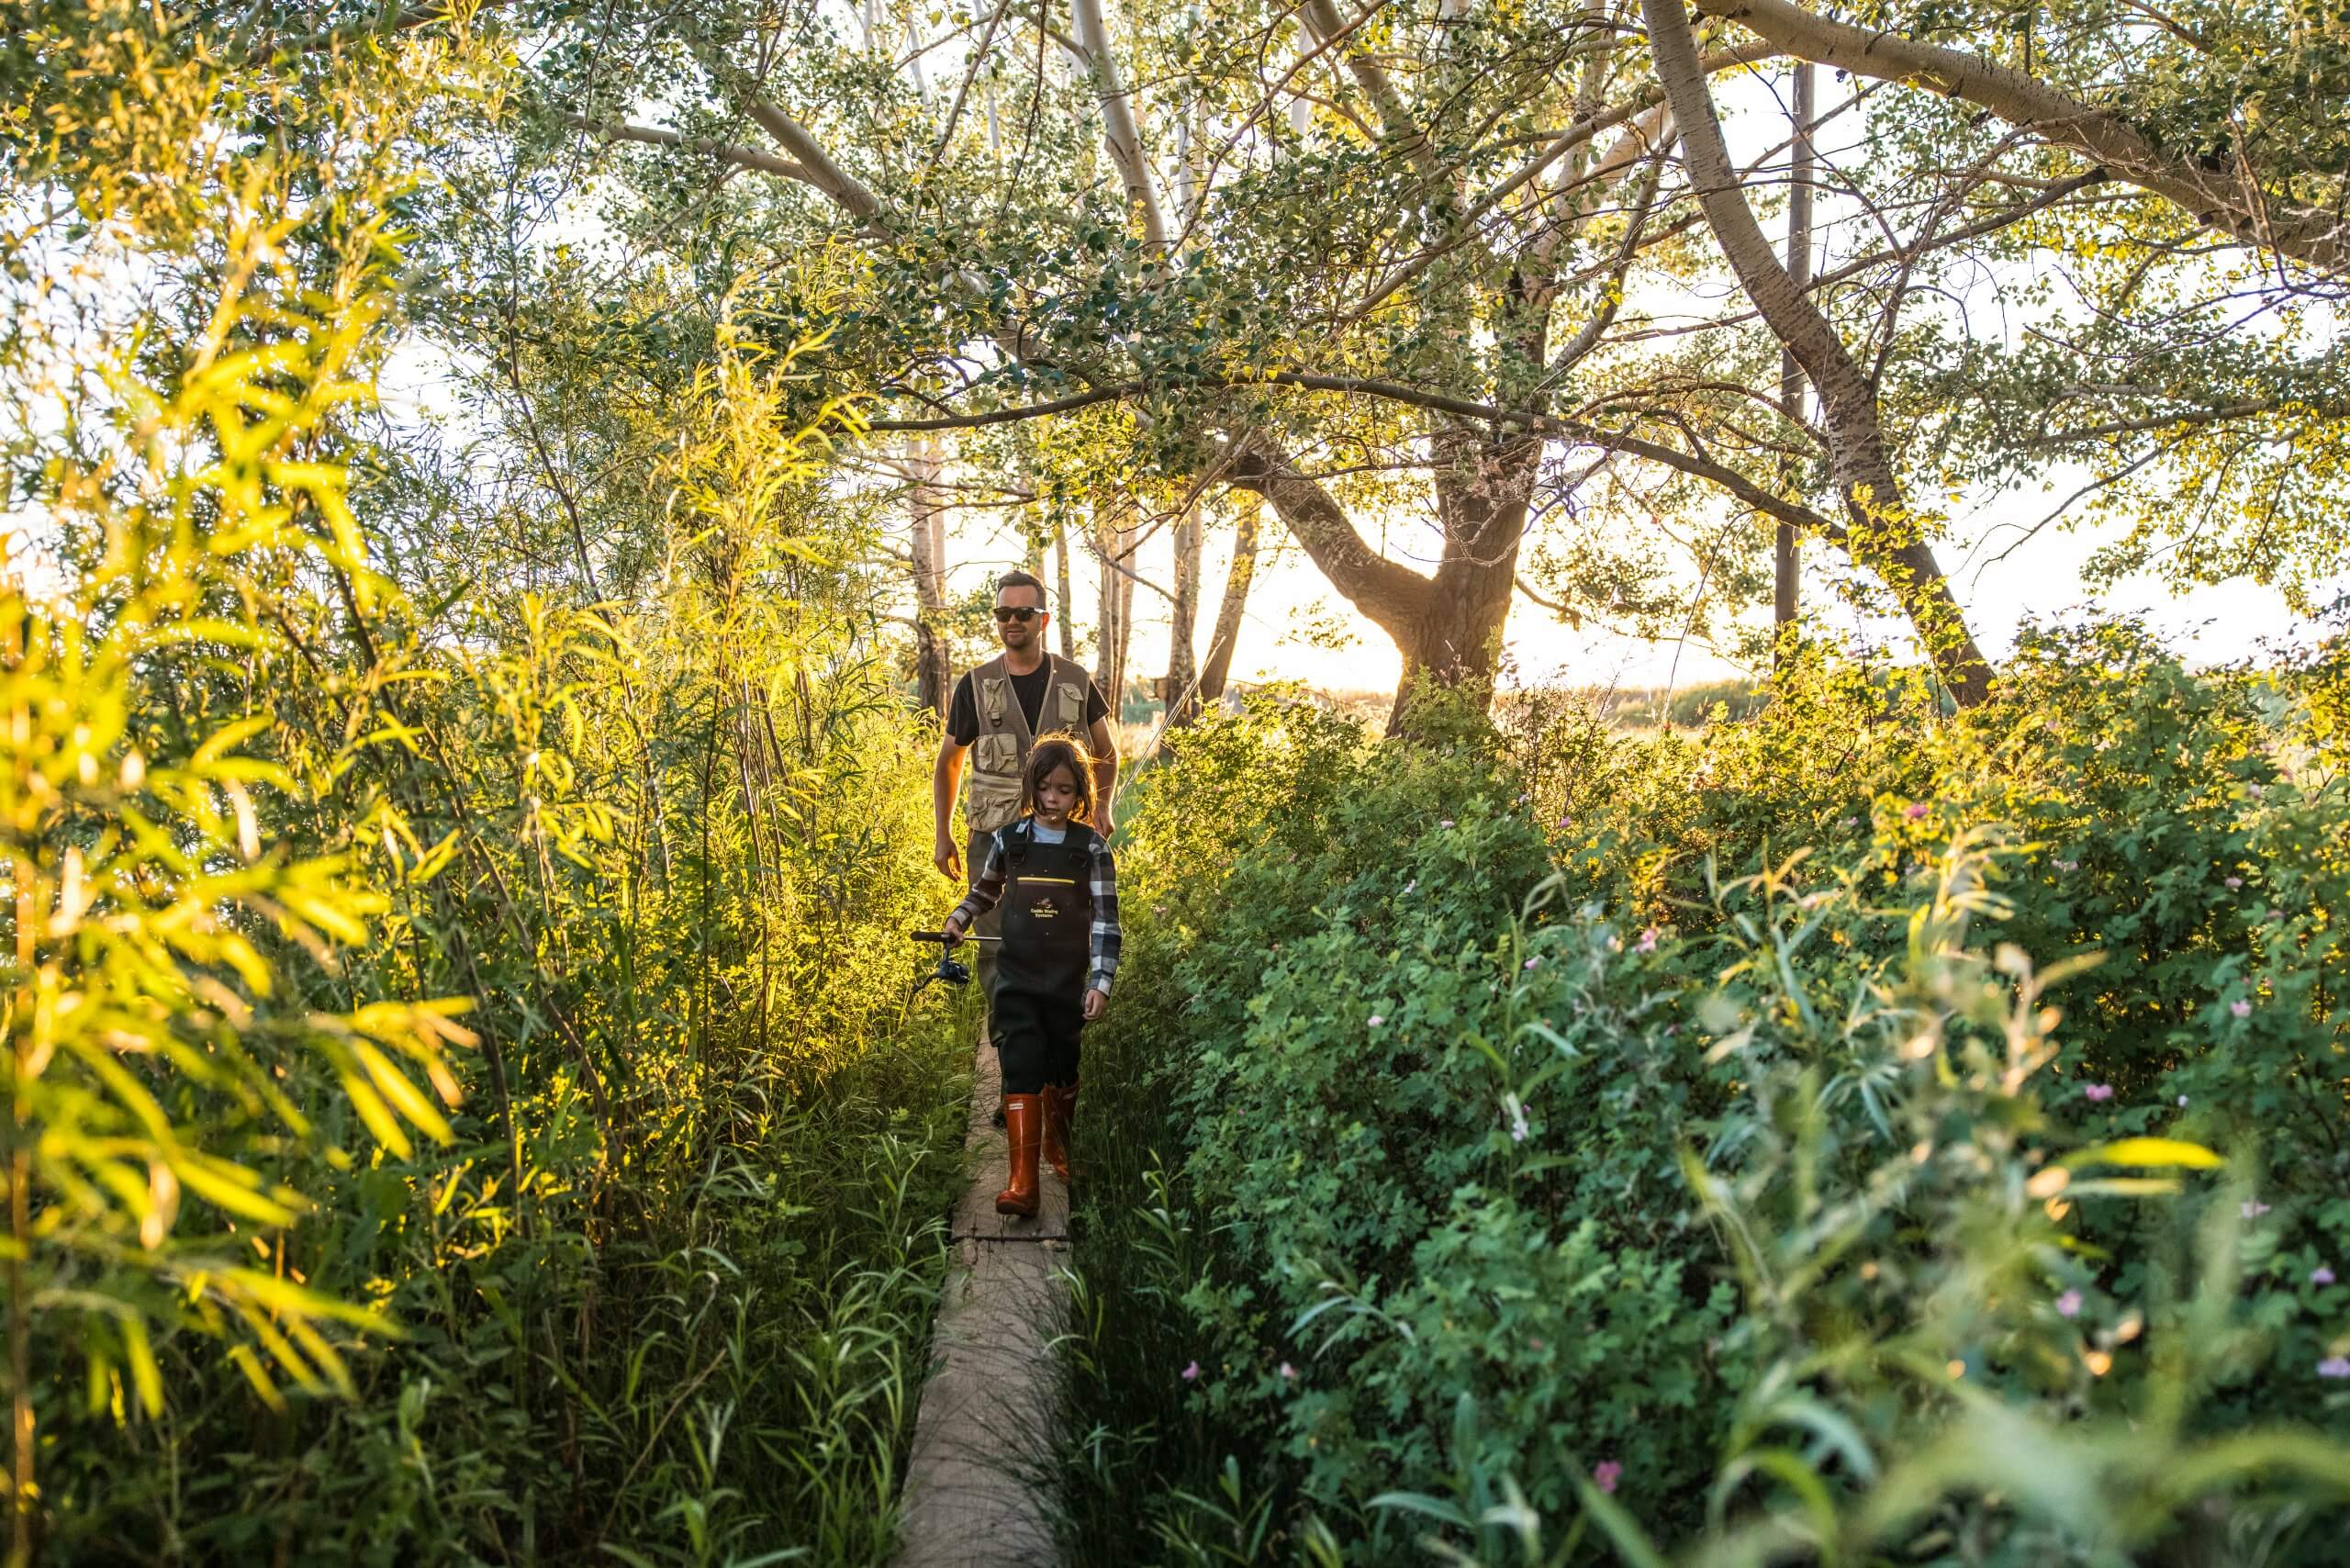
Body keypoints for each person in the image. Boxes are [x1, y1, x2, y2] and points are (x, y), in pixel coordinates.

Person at [941, 734, 1119, 1216]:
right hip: (1016, 978)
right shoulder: (1009, 841)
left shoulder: (1092, 850)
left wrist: (1100, 982)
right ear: (1032, 788)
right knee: (1019, 1061)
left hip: (1065, 984)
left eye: (1064, 790)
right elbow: (985, 892)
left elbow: (1106, 922)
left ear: (1080, 793)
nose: (1054, 799)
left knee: (1062, 1066)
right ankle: (1022, 1183)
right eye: (1045, 788)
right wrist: (959, 918)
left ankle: (1057, 1148)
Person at [933, 569, 1117, 1005]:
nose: (1011, 621)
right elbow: (949, 763)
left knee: (1058, 938)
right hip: (992, 837)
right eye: (1003, 612)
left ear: (1043, 620)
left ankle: (1056, 1049)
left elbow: (1107, 753)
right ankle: (1009, 1047)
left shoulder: (1075, 679)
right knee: (996, 946)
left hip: (1060, 838)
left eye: (1023, 612)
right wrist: (943, 835)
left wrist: (1102, 810)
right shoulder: (974, 684)